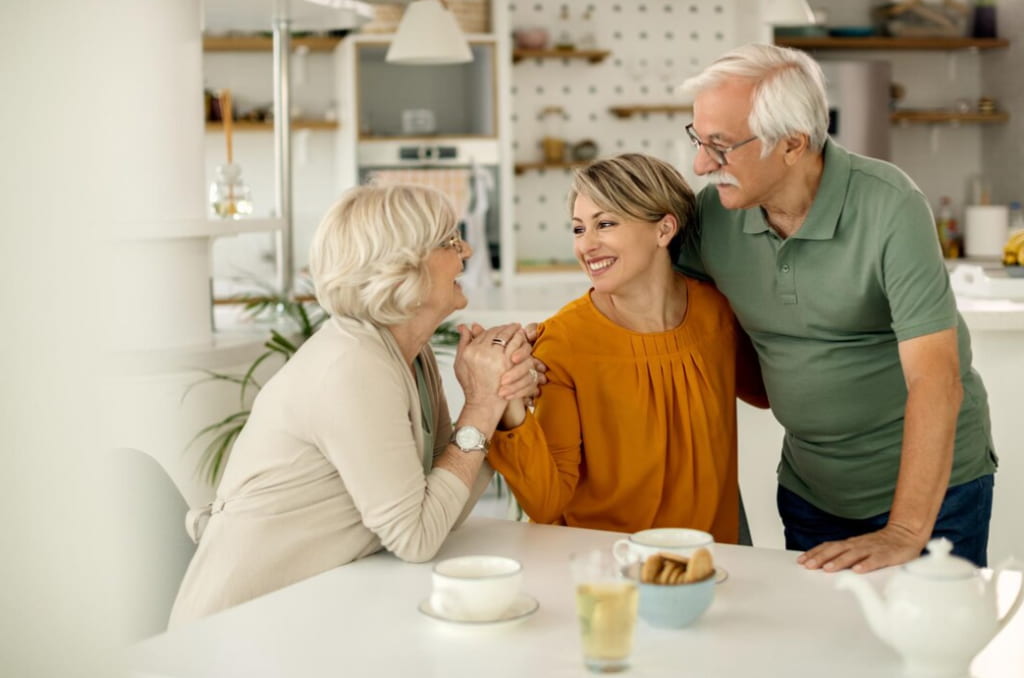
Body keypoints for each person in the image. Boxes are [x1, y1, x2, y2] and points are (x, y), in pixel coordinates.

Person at [676, 43, 997, 571]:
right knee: (823, 649)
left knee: (926, 647)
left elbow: (936, 380)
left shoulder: (890, 205)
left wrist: (904, 531)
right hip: (813, 490)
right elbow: (664, 310)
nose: (701, 164)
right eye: (698, 139)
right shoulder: (716, 216)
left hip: (934, 501)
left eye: (721, 145)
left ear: (792, 144)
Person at [169, 185, 541, 625]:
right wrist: (482, 404)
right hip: (237, 629)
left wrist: (497, 401)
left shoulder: (408, 353)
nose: (468, 250)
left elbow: (442, 512)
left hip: (308, 610)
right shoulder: (352, 366)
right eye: (450, 241)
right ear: (402, 267)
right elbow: (416, 538)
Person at [487, 153, 767, 542]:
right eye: (578, 229)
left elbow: (768, 393)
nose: (587, 245)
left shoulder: (718, 313)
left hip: (711, 558)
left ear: (664, 229)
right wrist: (511, 404)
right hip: (605, 566)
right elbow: (546, 500)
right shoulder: (565, 341)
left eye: (605, 224)